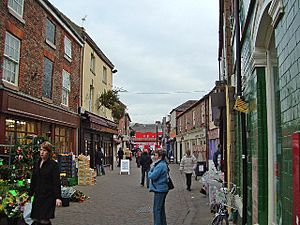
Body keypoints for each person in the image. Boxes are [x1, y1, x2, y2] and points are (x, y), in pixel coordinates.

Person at [30, 141, 62, 225]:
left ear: (49, 152)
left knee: (44, 220)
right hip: (38, 195)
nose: (42, 152)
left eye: (44, 150)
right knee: (36, 218)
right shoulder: (37, 163)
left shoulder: (53, 165)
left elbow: (56, 182)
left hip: (48, 196)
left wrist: (58, 197)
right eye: (41, 150)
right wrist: (30, 193)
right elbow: (34, 179)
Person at [148, 149, 169, 225]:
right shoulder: (162, 164)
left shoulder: (160, 165)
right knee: (161, 209)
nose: (154, 157)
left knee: (156, 210)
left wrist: (150, 171)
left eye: (156, 155)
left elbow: (152, 176)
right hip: (162, 188)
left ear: (160, 156)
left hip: (159, 189)